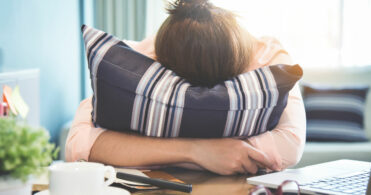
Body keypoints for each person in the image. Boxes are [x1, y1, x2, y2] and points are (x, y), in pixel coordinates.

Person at [66, 0, 306, 175]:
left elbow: (289, 145)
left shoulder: (267, 59)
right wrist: (198, 151)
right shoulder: (147, 56)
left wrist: (143, 150)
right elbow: (78, 144)